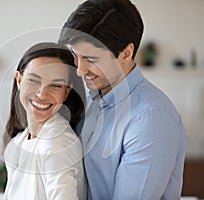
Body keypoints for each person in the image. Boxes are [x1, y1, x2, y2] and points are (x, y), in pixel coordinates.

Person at [59, 0, 188, 199]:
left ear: (126, 53)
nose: (80, 69)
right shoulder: (94, 99)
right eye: (76, 56)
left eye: (91, 59)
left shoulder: (151, 118)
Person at [2, 42, 87, 200]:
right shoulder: (18, 142)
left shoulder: (56, 143)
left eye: (55, 85)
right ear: (19, 80)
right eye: (34, 80)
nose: (42, 94)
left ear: (66, 92)